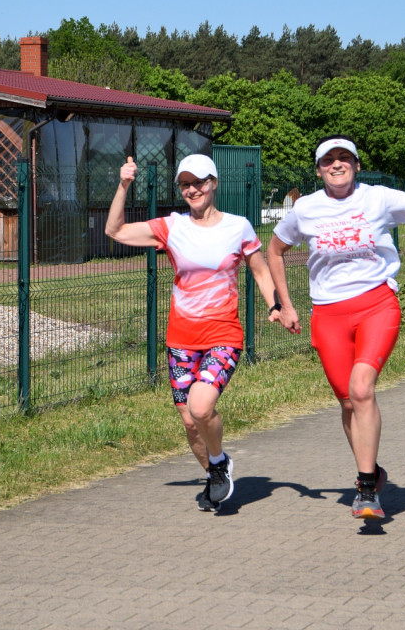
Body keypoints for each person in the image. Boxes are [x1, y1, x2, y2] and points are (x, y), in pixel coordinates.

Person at [266, 136, 405, 520]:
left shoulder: (379, 199)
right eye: (328, 160)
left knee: (361, 389)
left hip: (376, 304)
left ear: (356, 165)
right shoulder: (305, 208)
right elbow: (274, 250)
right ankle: (373, 471)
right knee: (346, 402)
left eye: (344, 158)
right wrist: (284, 304)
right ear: (319, 168)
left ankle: (367, 486)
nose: (336, 165)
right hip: (328, 314)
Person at [105, 153, 280, 511]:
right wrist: (123, 186)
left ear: (213, 183)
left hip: (223, 335)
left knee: (201, 408)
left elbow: (260, 271)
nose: (192, 189)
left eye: (199, 182)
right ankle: (217, 471)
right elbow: (115, 231)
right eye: (185, 184)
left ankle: (218, 465)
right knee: (188, 421)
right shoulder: (172, 227)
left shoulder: (238, 227)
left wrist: (275, 305)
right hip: (181, 340)